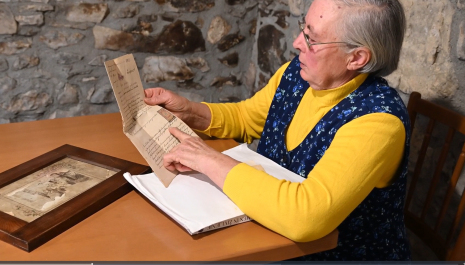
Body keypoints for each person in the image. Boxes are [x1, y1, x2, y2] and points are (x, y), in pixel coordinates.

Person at [144, 0, 410, 261]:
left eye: (312, 39)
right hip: (266, 237)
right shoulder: (299, 74)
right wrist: (189, 112)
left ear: (357, 58)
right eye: (303, 28)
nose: (296, 43)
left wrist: (208, 159)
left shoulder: (379, 122)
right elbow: (247, 117)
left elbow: (306, 217)